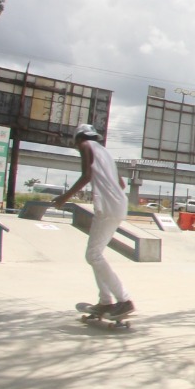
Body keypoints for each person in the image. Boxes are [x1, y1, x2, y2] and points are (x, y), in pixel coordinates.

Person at [53, 124, 135, 319]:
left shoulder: (86, 146)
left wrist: (64, 198)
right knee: (95, 255)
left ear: (79, 138)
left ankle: (124, 300)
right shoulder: (105, 152)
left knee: (93, 255)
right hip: (117, 204)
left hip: (107, 206)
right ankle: (106, 301)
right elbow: (121, 183)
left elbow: (86, 176)